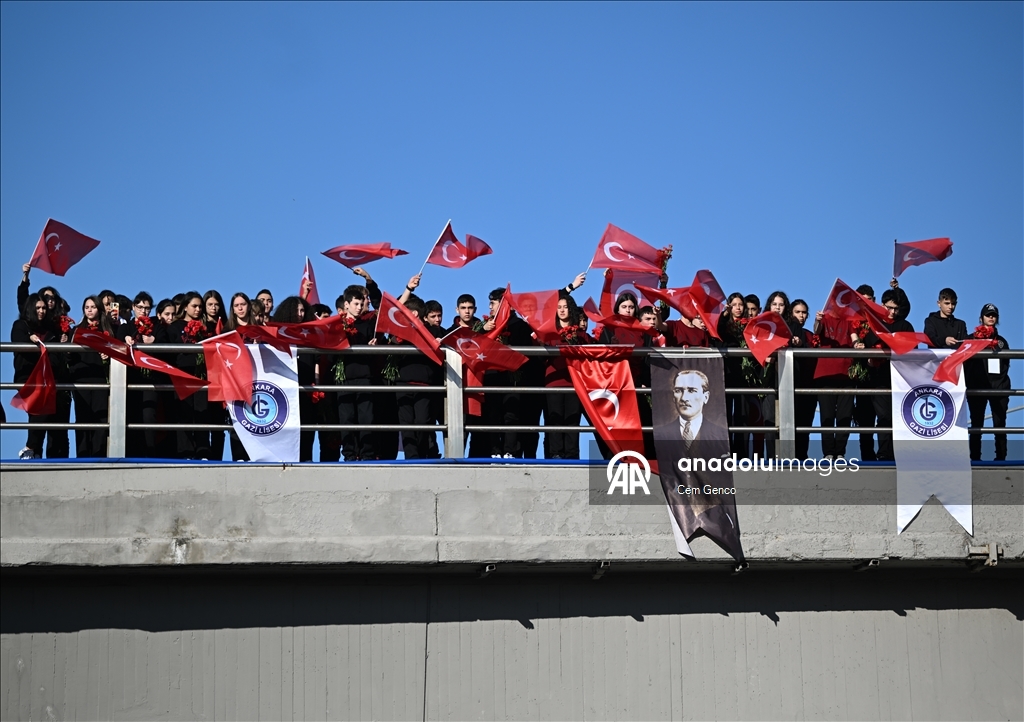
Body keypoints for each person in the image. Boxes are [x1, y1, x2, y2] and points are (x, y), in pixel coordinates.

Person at [161, 292, 214, 459]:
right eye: (194, 306)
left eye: (200, 306)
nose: (198, 309)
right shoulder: (175, 327)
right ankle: (185, 452)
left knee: (202, 412)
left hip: (201, 375)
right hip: (182, 375)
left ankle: (203, 451)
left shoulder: (205, 326)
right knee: (183, 413)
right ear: (185, 307)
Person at [865, 284, 913, 461]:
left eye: (895, 308)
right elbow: (866, 345)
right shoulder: (873, 325)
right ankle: (885, 453)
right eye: (888, 307)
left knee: (901, 417)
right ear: (882, 305)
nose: (892, 312)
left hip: (901, 378)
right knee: (884, 416)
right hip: (879, 378)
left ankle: (901, 453)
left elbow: (913, 348)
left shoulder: (905, 325)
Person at [11, 294, 60, 459]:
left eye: (44, 308)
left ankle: (34, 452)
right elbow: (17, 344)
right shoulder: (21, 325)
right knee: (39, 411)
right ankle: (30, 447)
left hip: (45, 377)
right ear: (30, 308)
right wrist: (30, 339)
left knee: (40, 414)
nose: (41, 311)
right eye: (38, 308)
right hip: (28, 376)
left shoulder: (50, 329)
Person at [334, 285, 380, 461]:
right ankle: (350, 455)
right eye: (355, 303)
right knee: (347, 419)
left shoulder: (368, 324)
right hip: (344, 376)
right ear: (346, 304)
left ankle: (367, 454)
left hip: (364, 376)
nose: (359, 307)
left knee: (366, 418)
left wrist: (372, 347)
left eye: (361, 303)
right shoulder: (337, 325)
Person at [69, 296, 114, 458]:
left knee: (100, 417)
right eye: (86, 307)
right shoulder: (76, 330)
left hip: (100, 378)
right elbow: (69, 357)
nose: (89, 310)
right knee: (82, 418)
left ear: (99, 309)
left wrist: (107, 357)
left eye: (93, 307)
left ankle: (98, 454)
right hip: (81, 378)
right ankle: (82, 454)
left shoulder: (107, 329)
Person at [965, 304, 1010, 461]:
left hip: (998, 387)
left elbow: (1006, 365)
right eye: (988, 315)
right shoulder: (970, 339)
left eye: (994, 315)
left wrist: (1000, 386)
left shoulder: (1002, 342)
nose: (991, 317)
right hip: (976, 387)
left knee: (1000, 423)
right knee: (976, 423)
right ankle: (975, 458)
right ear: (981, 317)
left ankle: (1001, 458)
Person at [545, 291, 587, 459]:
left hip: (575, 382)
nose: (562, 310)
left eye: (565, 307)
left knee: (572, 419)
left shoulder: (582, 335)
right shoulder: (548, 332)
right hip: (553, 381)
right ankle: (555, 453)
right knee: (554, 419)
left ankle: (572, 454)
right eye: (559, 307)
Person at [717, 292, 749, 457]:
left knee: (743, 414)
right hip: (727, 374)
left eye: (740, 304)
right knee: (726, 413)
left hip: (745, 375)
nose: (738, 308)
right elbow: (718, 329)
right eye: (734, 304)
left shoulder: (749, 325)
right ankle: (726, 451)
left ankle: (742, 454)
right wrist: (725, 315)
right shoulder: (724, 324)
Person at [787, 299, 819, 460]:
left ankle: (802, 456)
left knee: (805, 424)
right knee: (790, 424)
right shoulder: (788, 331)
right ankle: (791, 457)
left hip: (809, 385)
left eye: (804, 312)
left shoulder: (810, 335)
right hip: (791, 384)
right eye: (797, 312)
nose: (801, 315)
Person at [852, 284, 879, 461]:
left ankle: (886, 454)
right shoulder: (852, 318)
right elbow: (851, 335)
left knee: (885, 417)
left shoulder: (879, 318)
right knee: (865, 418)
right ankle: (867, 457)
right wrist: (856, 344)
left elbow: (903, 310)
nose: (866, 304)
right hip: (860, 376)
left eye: (869, 300)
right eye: (862, 300)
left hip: (880, 375)